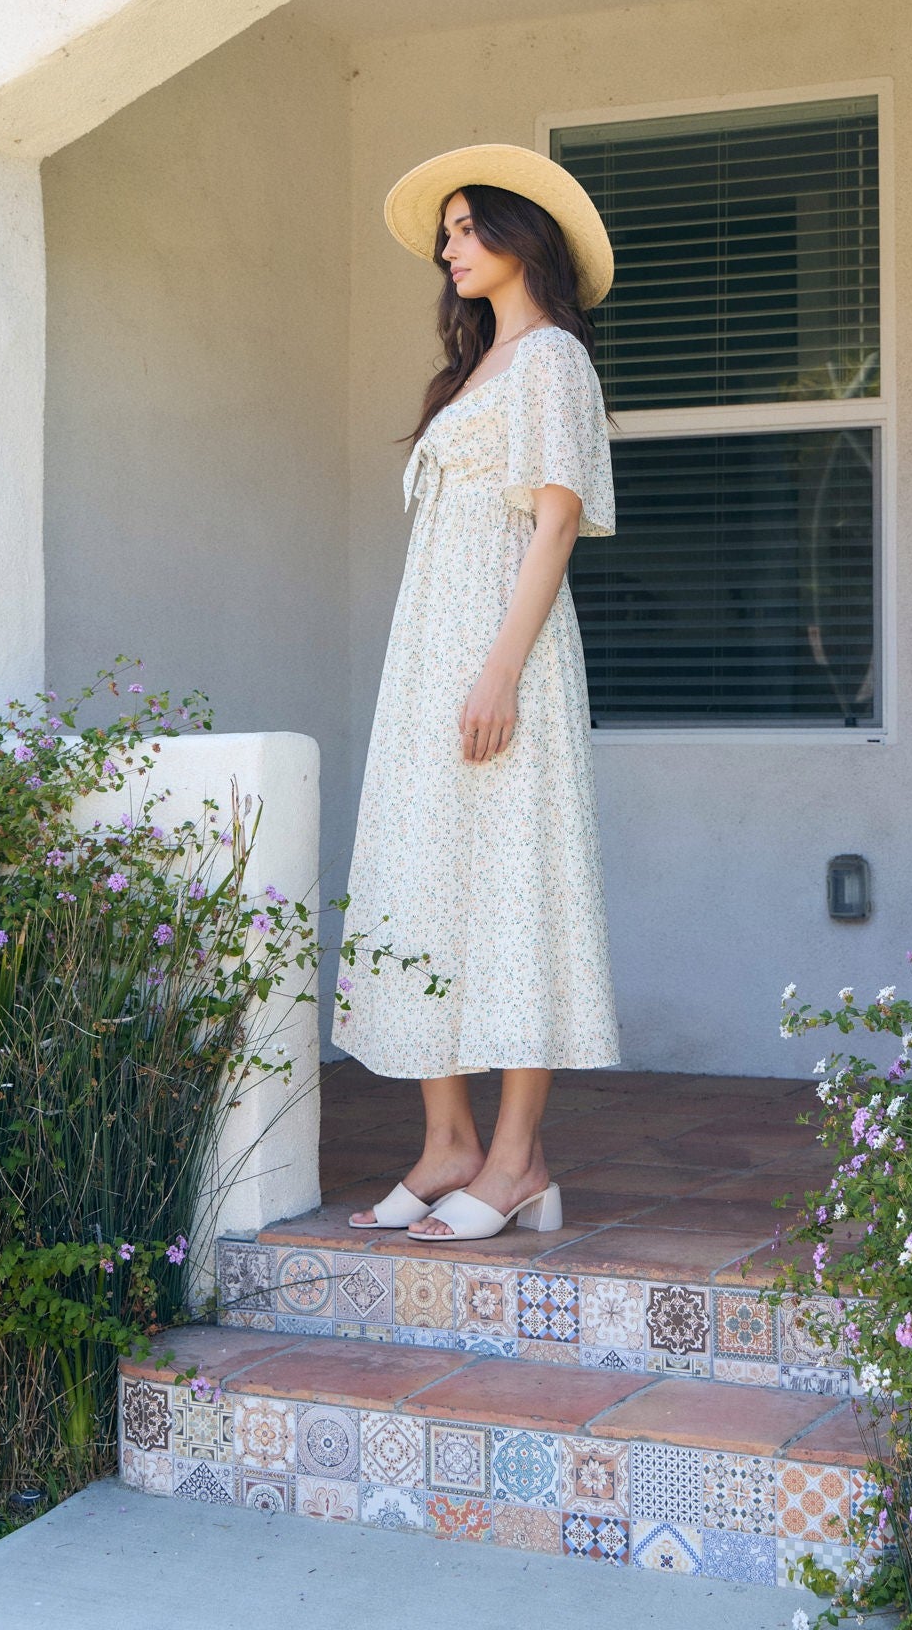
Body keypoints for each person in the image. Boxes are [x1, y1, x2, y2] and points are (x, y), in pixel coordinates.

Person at [336, 142, 621, 1243]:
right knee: (427, 881)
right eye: (446, 232)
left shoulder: (553, 361)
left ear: (521, 234)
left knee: (517, 886)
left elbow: (554, 523)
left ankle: (516, 1162)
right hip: (430, 664)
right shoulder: (472, 376)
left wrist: (500, 666)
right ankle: (448, 1141)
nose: (448, 247)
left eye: (465, 226)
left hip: (509, 654)